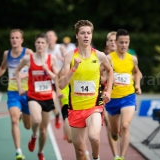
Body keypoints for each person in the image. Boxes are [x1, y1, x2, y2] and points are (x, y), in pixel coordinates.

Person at [59, 20, 113, 160]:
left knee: (94, 137)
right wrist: (73, 69)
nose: (86, 36)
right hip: (75, 108)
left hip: (94, 105)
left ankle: (95, 158)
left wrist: (108, 92)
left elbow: (110, 71)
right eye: (82, 33)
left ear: (91, 35)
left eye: (88, 33)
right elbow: (61, 84)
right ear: (76, 35)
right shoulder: (70, 57)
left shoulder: (99, 55)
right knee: (80, 153)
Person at [0, 29, 33, 160]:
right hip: (13, 92)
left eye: (17, 38)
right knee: (14, 120)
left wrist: (25, 74)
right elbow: (3, 67)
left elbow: (36, 67)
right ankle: (18, 151)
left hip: (27, 92)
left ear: (21, 40)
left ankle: (22, 116)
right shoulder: (6, 54)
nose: (14, 40)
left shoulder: (28, 53)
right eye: (12, 38)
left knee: (28, 126)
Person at [16, 33, 58, 160]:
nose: (40, 45)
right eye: (38, 42)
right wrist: (19, 87)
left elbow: (56, 77)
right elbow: (17, 71)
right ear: (35, 44)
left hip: (47, 96)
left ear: (47, 44)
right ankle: (34, 136)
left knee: (44, 130)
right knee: (36, 120)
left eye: (42, 43)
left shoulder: (52, 59)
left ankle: (40, 152)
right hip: (33, 96)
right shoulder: (28, 59)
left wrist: (47, 70)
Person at [105, 29, 142, 160]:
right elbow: (100, 74)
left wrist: (137, 85)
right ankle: (114, 134)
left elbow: (138, 73)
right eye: (121, 42)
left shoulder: (132, 59)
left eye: (126, 42)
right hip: (113, 99)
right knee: (115, 131)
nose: (124, 45)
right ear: (116, 42)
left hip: (128, 96)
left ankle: (122, 157)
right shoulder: (109, 58)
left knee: (125, 125)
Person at [101, 31, 120, 160]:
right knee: (108, 123)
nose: (113, 43)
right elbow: (97, 75)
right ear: (107, 43)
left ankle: (116, 133)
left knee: (120, 127)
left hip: (122, 95)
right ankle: (116, 155)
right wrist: (107, 79)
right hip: (106, 94)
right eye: (111, 41)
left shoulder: (127, 57)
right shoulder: (102, 58)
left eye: (115, 40)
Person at [46, 30, 67, 129]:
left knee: (63, 104)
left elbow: (68, 60)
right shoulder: (44, 49)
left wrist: (60, 58)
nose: (49, 38)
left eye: (51, 36)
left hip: (61, 79)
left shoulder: (60, 47)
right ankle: (57, 114)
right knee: (51, 101)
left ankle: (65, 128)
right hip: (50, 80)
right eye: (47, 36)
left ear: (55, 38)